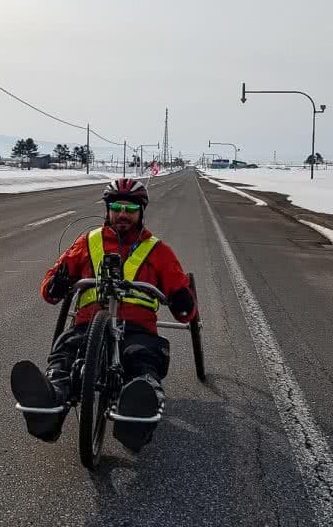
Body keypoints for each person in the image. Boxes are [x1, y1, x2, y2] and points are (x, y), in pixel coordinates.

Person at [10, 178, 197, 452]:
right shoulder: (87, 242)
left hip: (137, 328)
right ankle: (50, 401)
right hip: (88, 323)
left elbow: (185, 310)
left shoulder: (158, 251)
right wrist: (57, 284)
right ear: (108, 210)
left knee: (142, 358)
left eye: (130, 208)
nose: (123, 214)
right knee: (67, 352)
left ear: (141, 211)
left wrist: (182, 299)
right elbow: (50, 291)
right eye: (117, 207)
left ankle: (138, 407)